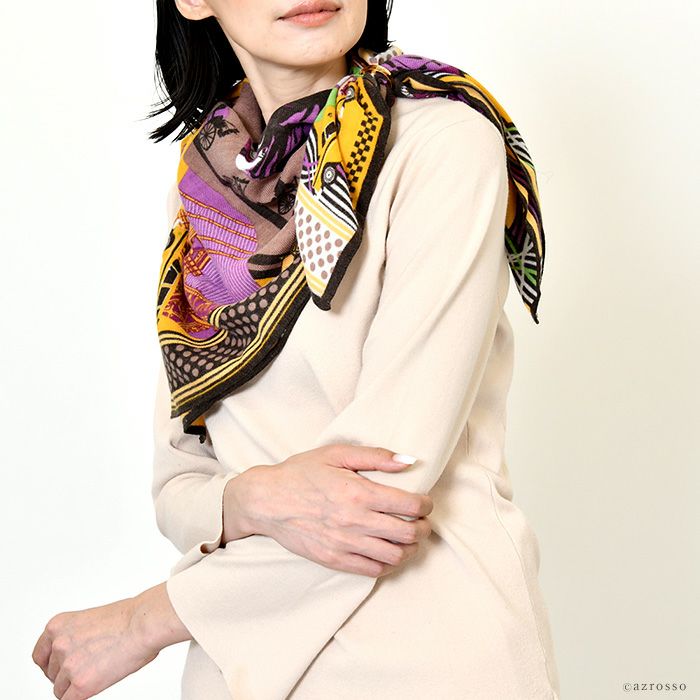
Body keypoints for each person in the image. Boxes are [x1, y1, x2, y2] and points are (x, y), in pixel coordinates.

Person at [32, 1, 561, 698]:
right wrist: (251, 498)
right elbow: (179, 486)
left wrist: (144, 621)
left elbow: (383, 490)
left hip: (430, 652)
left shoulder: (443, 144)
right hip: (240, 670)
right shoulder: (206, 189)